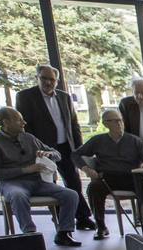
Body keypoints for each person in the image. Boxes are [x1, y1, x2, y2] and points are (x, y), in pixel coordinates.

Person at [0, 107, 81, 246]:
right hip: (12, 183)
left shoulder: (29, 137)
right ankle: (30, 234)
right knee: (18, 196)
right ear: (6, 122)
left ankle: (64, 233)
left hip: (39, 182)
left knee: (71, 195)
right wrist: (25, 170)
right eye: (19, 120)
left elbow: (57, 154)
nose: (24, 123)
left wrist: (48, 154)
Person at [15, 64, 94, 231]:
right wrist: (31, 149)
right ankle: (61, 222)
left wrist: (78, 149)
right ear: (37, 78)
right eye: (44, 78)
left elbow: (73, 124)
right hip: (42, 150)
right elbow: (24, 126)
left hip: (65, 146)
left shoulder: (64, 97)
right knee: (51, 185)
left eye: (52, 79)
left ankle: (82, 218)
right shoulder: (25, 97)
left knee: (73, 182)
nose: (48, 82)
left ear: (57, 81)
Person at [73, 108, 143, 239]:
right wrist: (86, 168)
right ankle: (101, 226)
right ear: (105, 124)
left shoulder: (134, 140)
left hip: (131, 177)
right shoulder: (98, 140)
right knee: (93, 188)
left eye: (120, 120)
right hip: (107, 178)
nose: (119, 124)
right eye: (114, 121)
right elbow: (75, 155)